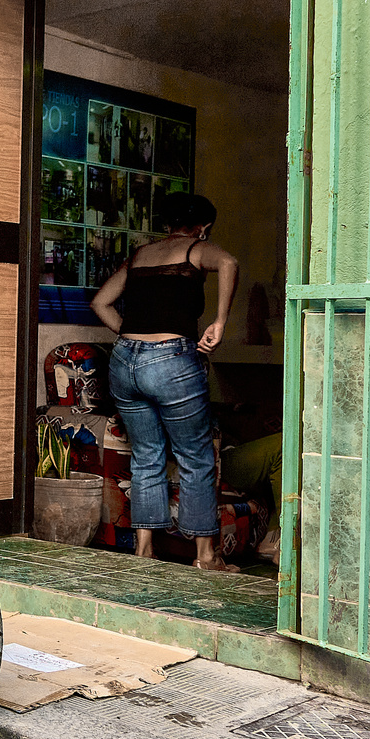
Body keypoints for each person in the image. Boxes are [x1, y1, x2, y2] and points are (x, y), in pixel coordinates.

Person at [90, 193, 240, 571]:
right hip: (172, 361)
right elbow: (228, 262)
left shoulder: (140, 255)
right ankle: (206, 556)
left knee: (146, 457)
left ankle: (144, 551)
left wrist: (134, 335)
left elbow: (100, 303)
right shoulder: (195, 249)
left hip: (125, 362)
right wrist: (220, 322)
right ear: (202, 228)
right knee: (196, 457)